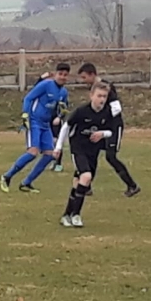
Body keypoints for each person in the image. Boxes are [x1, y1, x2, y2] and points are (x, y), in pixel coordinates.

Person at [0, 62, 70, 193]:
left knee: (50, 155)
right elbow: (28, 98)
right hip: (34, 122)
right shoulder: (45, 85)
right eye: (60, 74)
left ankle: (26, 183)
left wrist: (61, 114)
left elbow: (64, 107)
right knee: (33, 152)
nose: (62, 77)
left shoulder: (64, 92)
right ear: (55, 74)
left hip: (46, 124)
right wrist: (25, 114)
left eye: (65, 75)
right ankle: (6, 176)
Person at [53, 81, 116, 227]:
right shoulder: (81, 111)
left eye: (104, 96)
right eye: (99, 96)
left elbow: (112, 131)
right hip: (78, 149)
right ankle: (76, 215)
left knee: (79, 182)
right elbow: (65, 127)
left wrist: (102, 133)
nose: (102, 99)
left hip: (93, 151)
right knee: (86, 177)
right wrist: (58, 147)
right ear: (91, 95)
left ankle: (66, 215)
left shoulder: (107, 112)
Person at [77, 62, 140, 198]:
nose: (83, 81)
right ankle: (86, 186)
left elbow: (117, 108)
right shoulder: (95, 88)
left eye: (84, 77)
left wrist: (103, 116)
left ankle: (132, 185)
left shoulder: (107, 87)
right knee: (91, 153)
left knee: (110, 157)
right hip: (101, 127)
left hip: (113, 127)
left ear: (92, 75)